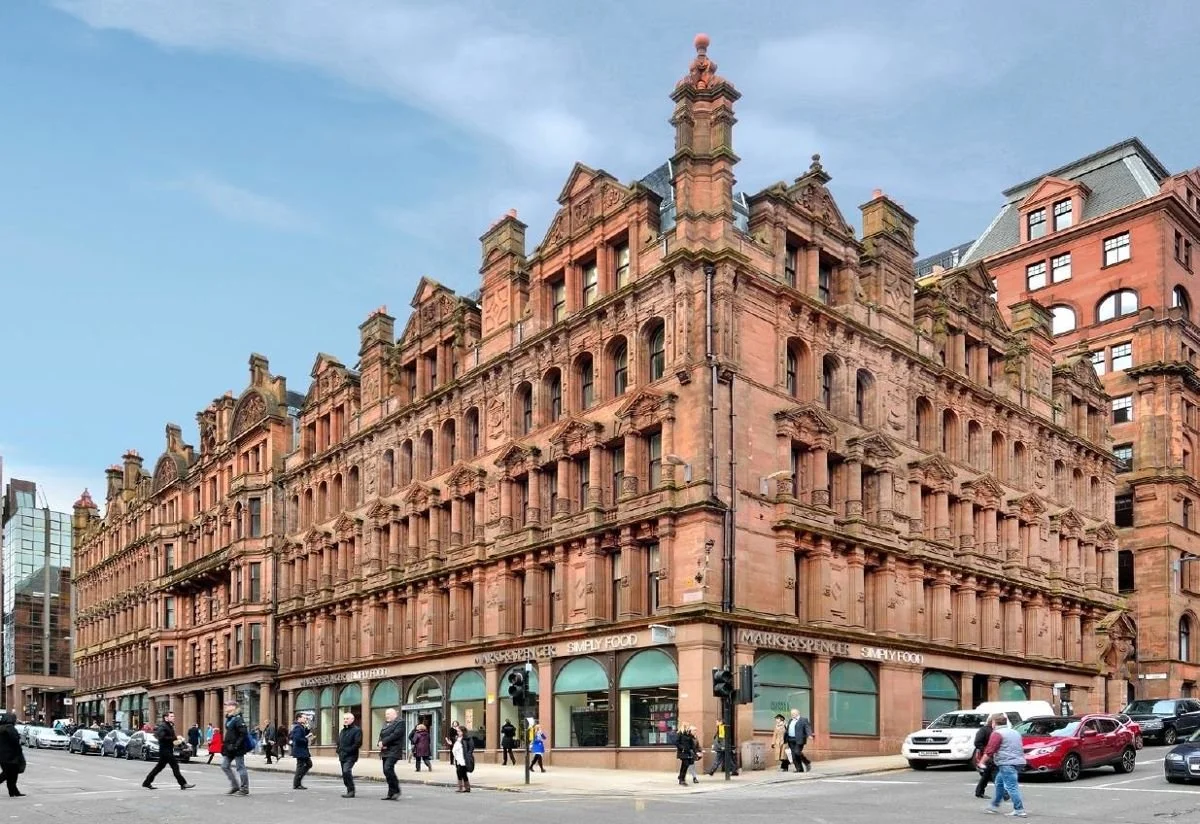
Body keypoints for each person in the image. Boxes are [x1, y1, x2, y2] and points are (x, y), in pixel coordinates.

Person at [980, 714, 1028, 817]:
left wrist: (982, 762)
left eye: (992, 722)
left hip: (1006, 763)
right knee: (999, 783)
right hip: (1019, 761)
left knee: (1011, 787)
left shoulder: (997, 733)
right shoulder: (1015, 732)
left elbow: (990, 750)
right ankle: (993, 806)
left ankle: (1019, 810)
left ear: (994, 723)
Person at [141, 711, 195, 791]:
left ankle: (146, 782)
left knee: (159, 767)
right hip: (165, 750)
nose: (173, 717)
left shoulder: (169, 726)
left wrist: (181, 744)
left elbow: (172, 738)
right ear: (166, 718)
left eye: (173, 716)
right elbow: (162, 738)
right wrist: (175, 738)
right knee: (175, 766)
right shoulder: (163, 726)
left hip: (167, 750)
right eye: (171, 716)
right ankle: (183, 783)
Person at [219, 700, 250, 797]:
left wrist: (236, 745)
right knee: (224, 766)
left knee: (240, 767)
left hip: (237, 748)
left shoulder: (238, 719)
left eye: (227, 705)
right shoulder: (229, 719)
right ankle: (235, 786)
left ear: (233, 707)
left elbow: (243, 733)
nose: (225, 707)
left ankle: (244, 788)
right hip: (229, 748)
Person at [974, 716, 1008, 800]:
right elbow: (977, 742)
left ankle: (979, 792)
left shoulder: (996, 731)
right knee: (995, 774)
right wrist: (986, 750)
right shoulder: (984, 730)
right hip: (989, 755)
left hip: (992, 755)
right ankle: (1004, 793)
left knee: (987, 774)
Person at [377, 708, 404, 800]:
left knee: (388, 768)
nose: (386, 715)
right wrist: (380, 743)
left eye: (388, 714)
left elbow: (395, 735)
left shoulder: (400, 723)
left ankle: (396, 790)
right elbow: (381, 735)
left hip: (394, 750)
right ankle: (391, 793)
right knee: (386, 771)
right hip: (385, 750)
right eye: (386, 714)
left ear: (394, 714)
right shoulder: (385, 723)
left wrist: (383, 742)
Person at [0, 713, 26, 797]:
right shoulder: (10, 729)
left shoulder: (1, 728)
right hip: (12, 756)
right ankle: (13, 791)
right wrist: (19, 753)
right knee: (10, 774)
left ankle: (13, 791)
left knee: (8, 774)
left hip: (2, 756)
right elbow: (15, 743)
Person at [336, 713, 361, 798]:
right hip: (342, 755)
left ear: (352, 720)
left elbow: (358, 743)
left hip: (351, 756)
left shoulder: (357, 730)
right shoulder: (343, 731)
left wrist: (348, 750)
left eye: (347, 719)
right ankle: (348, 790)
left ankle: (351, 791)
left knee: (346, 771)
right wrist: (338, 750)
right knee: (344, 774)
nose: (345, 720)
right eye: (344, 719)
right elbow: (339, 742)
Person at [784, 708, 813, 773]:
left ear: (797, 713)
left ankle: (806, 762)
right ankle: (799, 769)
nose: (792, 715)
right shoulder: (790, 720)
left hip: (799, 739)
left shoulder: (803, 720)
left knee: (797, 752)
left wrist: (809, 735)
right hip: (790, 739)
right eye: (791, 713)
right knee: (794, 755)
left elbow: (807, 728)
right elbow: (787, 730)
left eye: (793, 713)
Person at [449, 721, 474, 793]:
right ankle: (460, 787)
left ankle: (466, 787)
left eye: (459, 731)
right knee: (458, 772)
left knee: (462, 773)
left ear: (463, 731)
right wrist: (451, 744)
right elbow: (456, 747)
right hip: (457, 759)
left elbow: (471, 748)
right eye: (457, 731)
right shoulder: (457, 739)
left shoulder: (467, 739)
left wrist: (468, 755)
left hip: (463, 759)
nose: (457, 732)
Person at [290, 714, 313, 790]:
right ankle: (296, 783)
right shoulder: (297, 727)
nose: (306, 719)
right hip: (300, 750)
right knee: (300, 766)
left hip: (302, 750)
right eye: (304, 718)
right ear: (299, 718)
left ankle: (297, 782)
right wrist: (307, 738)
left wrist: (307, 731)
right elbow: (297, 739)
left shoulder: (301, 726)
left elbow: (303, 734)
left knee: (308, 764)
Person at [675, 722, 699, 786]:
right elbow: (676, 742)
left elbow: (692, 744)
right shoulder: (680, 733)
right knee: (685, 764)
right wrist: (682, 748)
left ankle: (681, 777)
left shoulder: (688, 734)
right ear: (685, 726)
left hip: (688, 752)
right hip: (682, 752)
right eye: (688, 726)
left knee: (684, 765)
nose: (689, 727)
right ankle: (682, 780)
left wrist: (695, 752)